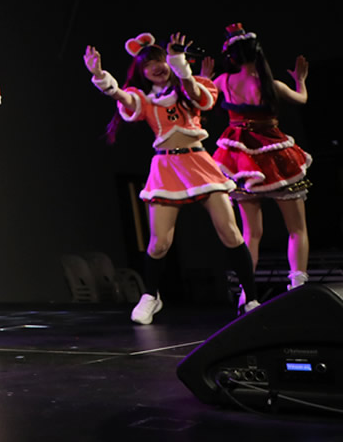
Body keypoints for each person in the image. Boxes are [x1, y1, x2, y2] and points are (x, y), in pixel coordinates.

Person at [84, 31, 259, 324]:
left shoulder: (191, 86)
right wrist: (101, 75)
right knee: (159, 243)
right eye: (147, 64)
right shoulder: (146, 100)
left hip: (199, 162)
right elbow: (123, 97)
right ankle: (151, 296)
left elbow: (198, 94)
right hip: (166, 168)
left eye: (160, 59)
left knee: (230, 232)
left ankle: (250, 298)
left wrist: (179, 62)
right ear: (142, 72)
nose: (156, 66)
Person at [208, 23, 311, 292]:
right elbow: (301, 99)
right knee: (297, 229)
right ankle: (298, 286)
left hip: (242, 160)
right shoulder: (272, 85)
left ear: (231, 58)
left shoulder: (223, 82)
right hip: (277, 158)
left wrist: (203, 78)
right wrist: (300, 80)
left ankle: (247, 293)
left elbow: (200, 97)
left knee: (250, 233)